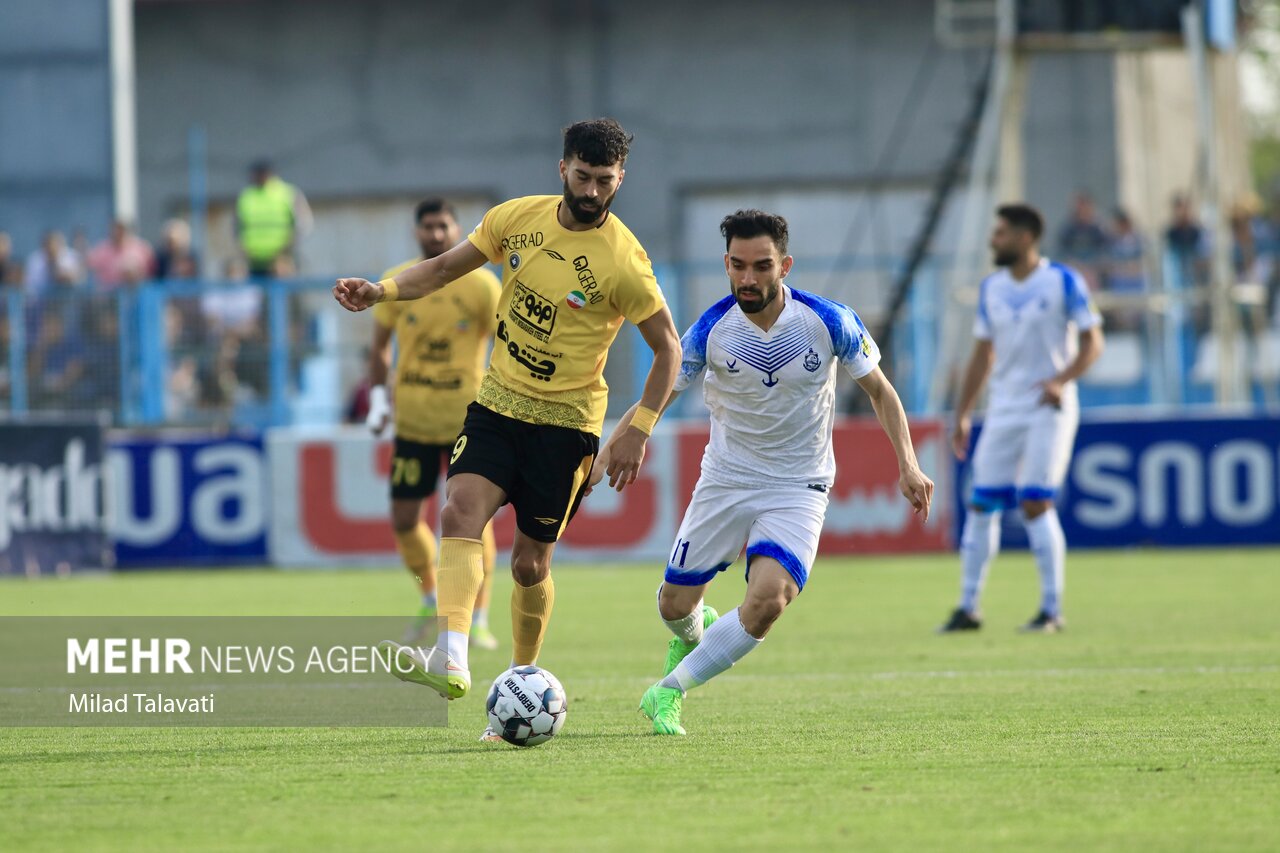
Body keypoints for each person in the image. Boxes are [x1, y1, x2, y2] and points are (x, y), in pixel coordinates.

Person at [333, 119, 681, 733]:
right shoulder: (516, 218)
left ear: (620, 178)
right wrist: (381, 291)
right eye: (583, 176)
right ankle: (453, 658)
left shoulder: (625, 261)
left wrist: (638, 428)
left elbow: (669, 349)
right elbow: (440, 270)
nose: (593, 191)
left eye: (606, 181)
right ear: (562, 169)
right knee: (457, 511)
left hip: (567, 426)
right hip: (496, 405)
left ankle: (521, 675)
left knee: (529, 566)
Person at [595, 210, 933, 736]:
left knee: (768, 601)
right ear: (726, 264)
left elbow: (881, 392)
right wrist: (606, 452)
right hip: (726, 481)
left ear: (785, 265)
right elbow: (657, 396)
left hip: (800, 485)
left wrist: (908, 464)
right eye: (737, 266)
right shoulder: (710, 329)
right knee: (673, 605)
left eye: (761, 266)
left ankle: (668, 692)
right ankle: (693, 630)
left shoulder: (829, 320)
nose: (748, 278)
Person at [940, 204, 1104, 635]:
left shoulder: (1063, 281)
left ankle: (1051, 610)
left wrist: (1062, 380)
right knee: (981, 503)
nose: (994, 240)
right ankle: (967, 608)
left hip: (1048, 407)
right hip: (1003, 409)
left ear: (1026, 237)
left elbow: (1093, 342)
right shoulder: (991, 288)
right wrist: (963, 413)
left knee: (1035, 500)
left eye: (1002, 233)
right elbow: (983, 354)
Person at [365, 199, 503, 651]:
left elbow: (505, 342)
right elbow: (380, 347)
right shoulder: (401, 281)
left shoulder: (482, 286)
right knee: (405, 519)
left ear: (456, 229)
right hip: (414, 421)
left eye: (444, 227)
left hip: (470, 422)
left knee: (472, 522)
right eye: (428, 228)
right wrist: (378, 400)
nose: (437, 235)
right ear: (417, 231)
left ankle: (476, 618)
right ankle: (431, 597)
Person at [234, 159, 312, 277]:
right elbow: (236, 227)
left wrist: (287, 249)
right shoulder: (246, 196)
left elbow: (304, 224)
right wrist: (243, 251)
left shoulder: (288, 193)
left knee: (284, 291)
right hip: (254, 262)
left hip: (282, 261)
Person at [86, 219, 155, 291]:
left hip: (138, 292)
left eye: (121, 229)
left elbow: (152, 270)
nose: (118, 233)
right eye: (116, 229)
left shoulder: (141, 247)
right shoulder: (102, 249)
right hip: (110, 294)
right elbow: (88, 265)